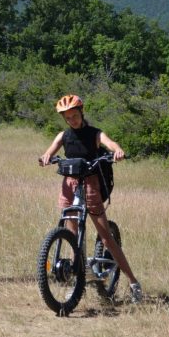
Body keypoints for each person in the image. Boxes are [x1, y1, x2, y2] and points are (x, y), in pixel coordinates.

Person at [39, 94, 143, 303]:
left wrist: (118, 150)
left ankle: (134, 283)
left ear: (81, 113)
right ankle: (78, 284)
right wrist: (45, 157)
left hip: (90, 184)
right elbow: (49, 151)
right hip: (69, 184)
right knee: (71, 235)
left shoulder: (94, 133)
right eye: (68, 118)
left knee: (106, 238)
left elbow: (110, 143)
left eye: (75, 116)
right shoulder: (63, 136)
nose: (72, 120)